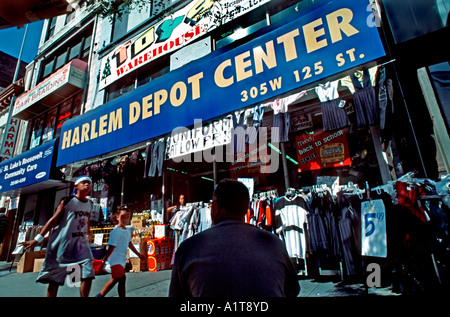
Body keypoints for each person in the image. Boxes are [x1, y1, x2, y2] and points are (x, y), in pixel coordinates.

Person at [169, 179, 300, 297]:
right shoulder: (274, 243)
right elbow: (292, 290)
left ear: (215, 207)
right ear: (245, 208)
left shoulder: (188, 249)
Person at [21, 175, 95, 297]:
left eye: (89, 183)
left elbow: (87, 221)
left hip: (80, 246)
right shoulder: (68, 201)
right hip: (63, 245)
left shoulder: (90, 204)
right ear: (76, 185)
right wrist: (37, 239)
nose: (87, 184)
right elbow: (54, 220)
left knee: (88, 274)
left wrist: (88, 234)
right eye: (84, 182)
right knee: (54, 280)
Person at [95, 205, 146, 297]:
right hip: (114, 260)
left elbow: (130, 244)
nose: (125, 220)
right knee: (122, 278)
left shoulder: (127, 230)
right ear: (117, 217)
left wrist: (139, 254)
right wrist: (104, 261)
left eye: (127, 217)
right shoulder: (115, 231)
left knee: (116, 279)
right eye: (123, 217)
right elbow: (111, 248)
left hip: (121, 260)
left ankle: (100, 295)